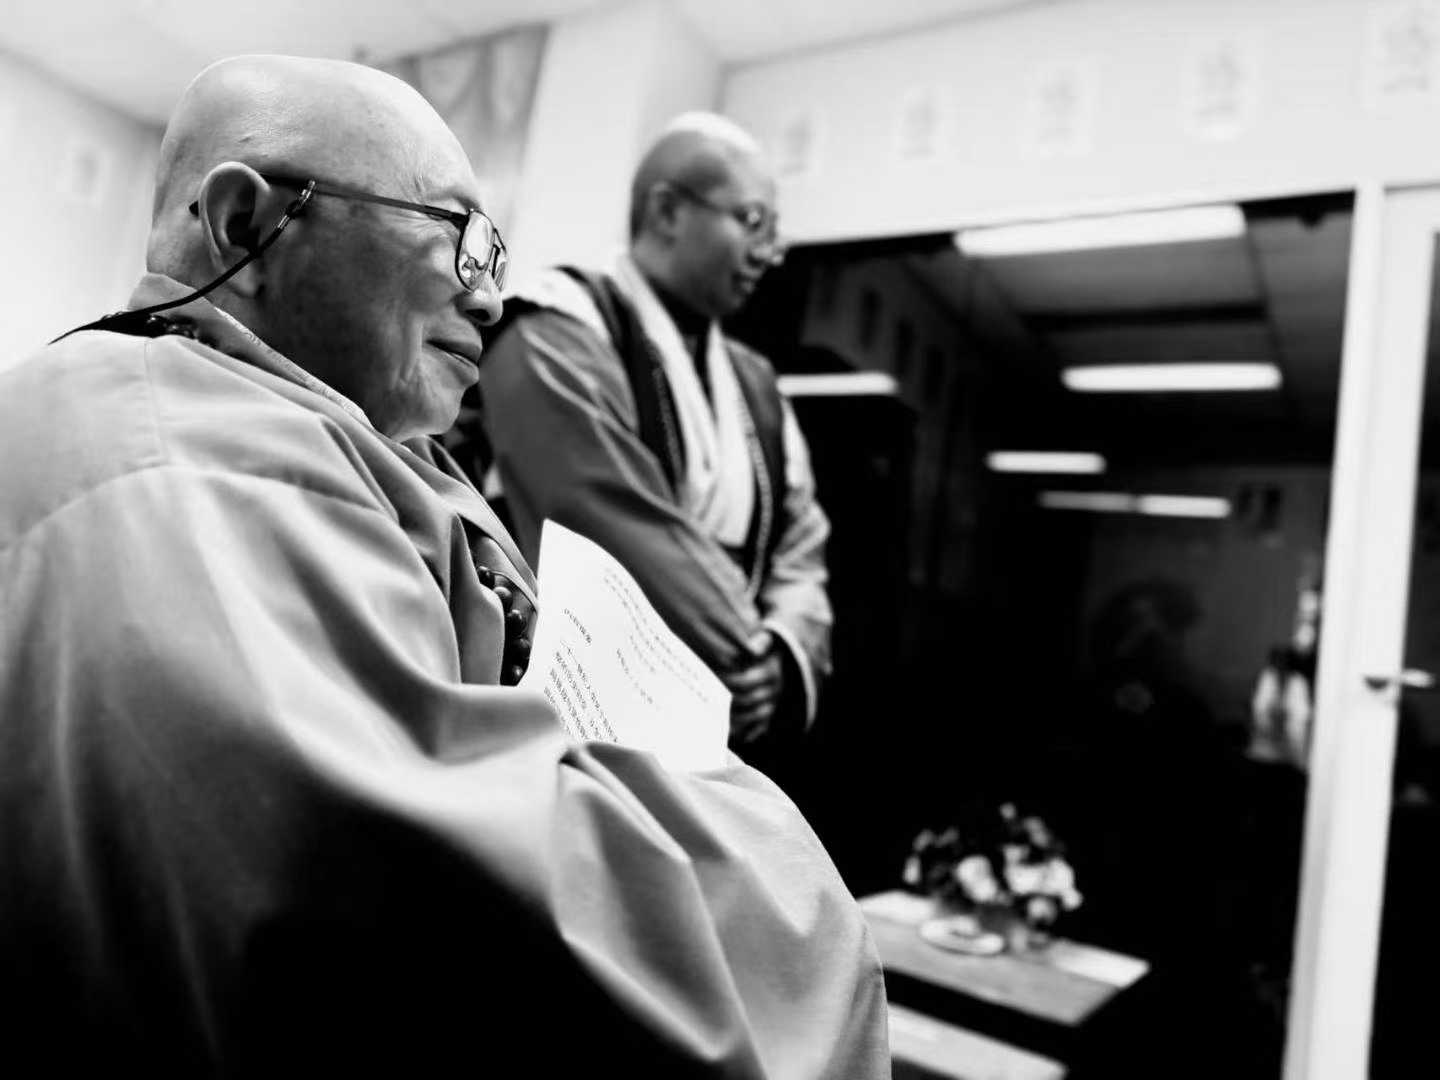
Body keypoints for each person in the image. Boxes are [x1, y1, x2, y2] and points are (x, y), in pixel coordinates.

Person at [0, 55, 887, 1076]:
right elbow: (443, 906)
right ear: (248, 227)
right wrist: (766, 841)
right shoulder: (193, 468)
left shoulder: (315, 433)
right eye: (456, 234)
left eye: (494, 249)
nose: (492, 295)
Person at [474, 114, 832, 775]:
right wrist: (744, 652)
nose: (770, 252)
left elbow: (801, 547)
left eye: (774, 232)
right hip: (577, 710)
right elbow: (601, 513)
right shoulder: (556, 324)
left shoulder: (758, 386)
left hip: (728, 716)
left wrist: (783, 653)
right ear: (667, 211)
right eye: (753, 222)